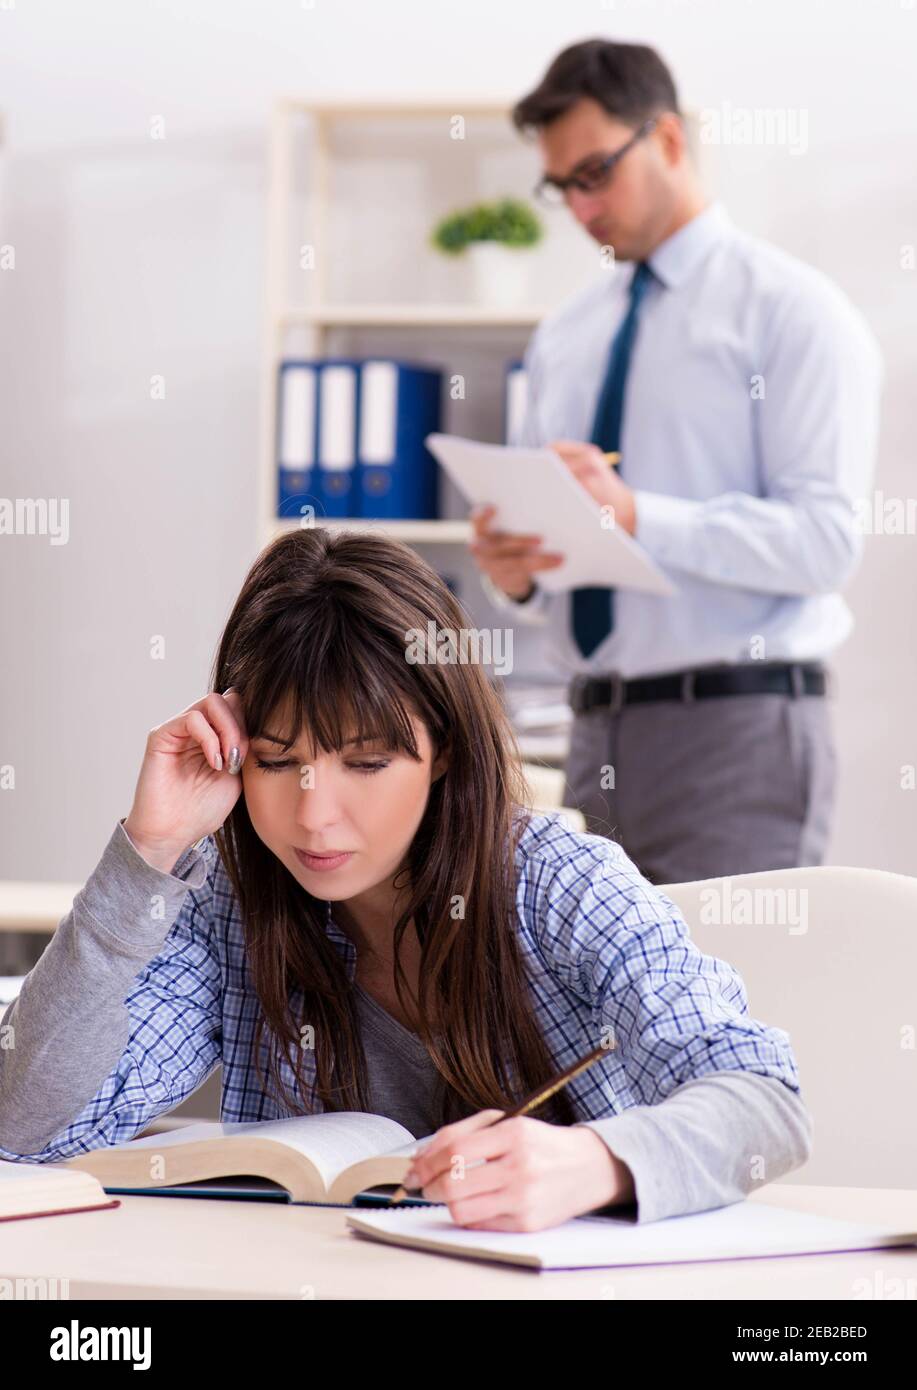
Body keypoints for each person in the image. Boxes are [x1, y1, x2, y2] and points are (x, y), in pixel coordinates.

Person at [0, 529, 811, 1230]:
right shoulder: (225, 905)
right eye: (278, 762)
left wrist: (599, 1161)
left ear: (445, 748)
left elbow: (762, 1100)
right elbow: (27, 1126)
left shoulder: (561, 884)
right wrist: (147, 852)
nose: (314, 817)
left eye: (366, 762)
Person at [471, 38, 882, 884]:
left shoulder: (793, 313)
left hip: (736, 734)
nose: (581, 210)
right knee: (588, 1017)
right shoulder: (567, 334)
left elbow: (825, 543)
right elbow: (556, 553)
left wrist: (635, 515)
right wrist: (513, 570)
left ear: (665, 139)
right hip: (592, 736)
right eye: (561, 188)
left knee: (724, 1006)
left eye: (595, 173)